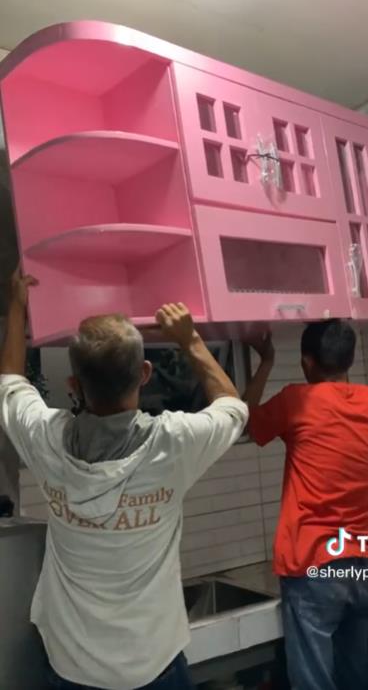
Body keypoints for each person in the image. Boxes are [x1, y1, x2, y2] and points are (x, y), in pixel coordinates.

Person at [0, 270, 248, 690]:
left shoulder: (43, 438)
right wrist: (188, 340)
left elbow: (10, 381)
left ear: (73, 384)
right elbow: (233, 407)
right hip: (154, 666)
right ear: (146, 373)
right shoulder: (175, 444)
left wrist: (19, 304)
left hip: (72, 668)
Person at [244, 297, 368, 690]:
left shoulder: (297, 401)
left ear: (307, 363)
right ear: (350, 360)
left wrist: (264, 362)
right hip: (359, 568)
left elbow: (244, 423)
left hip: (313, 565)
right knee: (356, 676)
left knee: (314, 683)